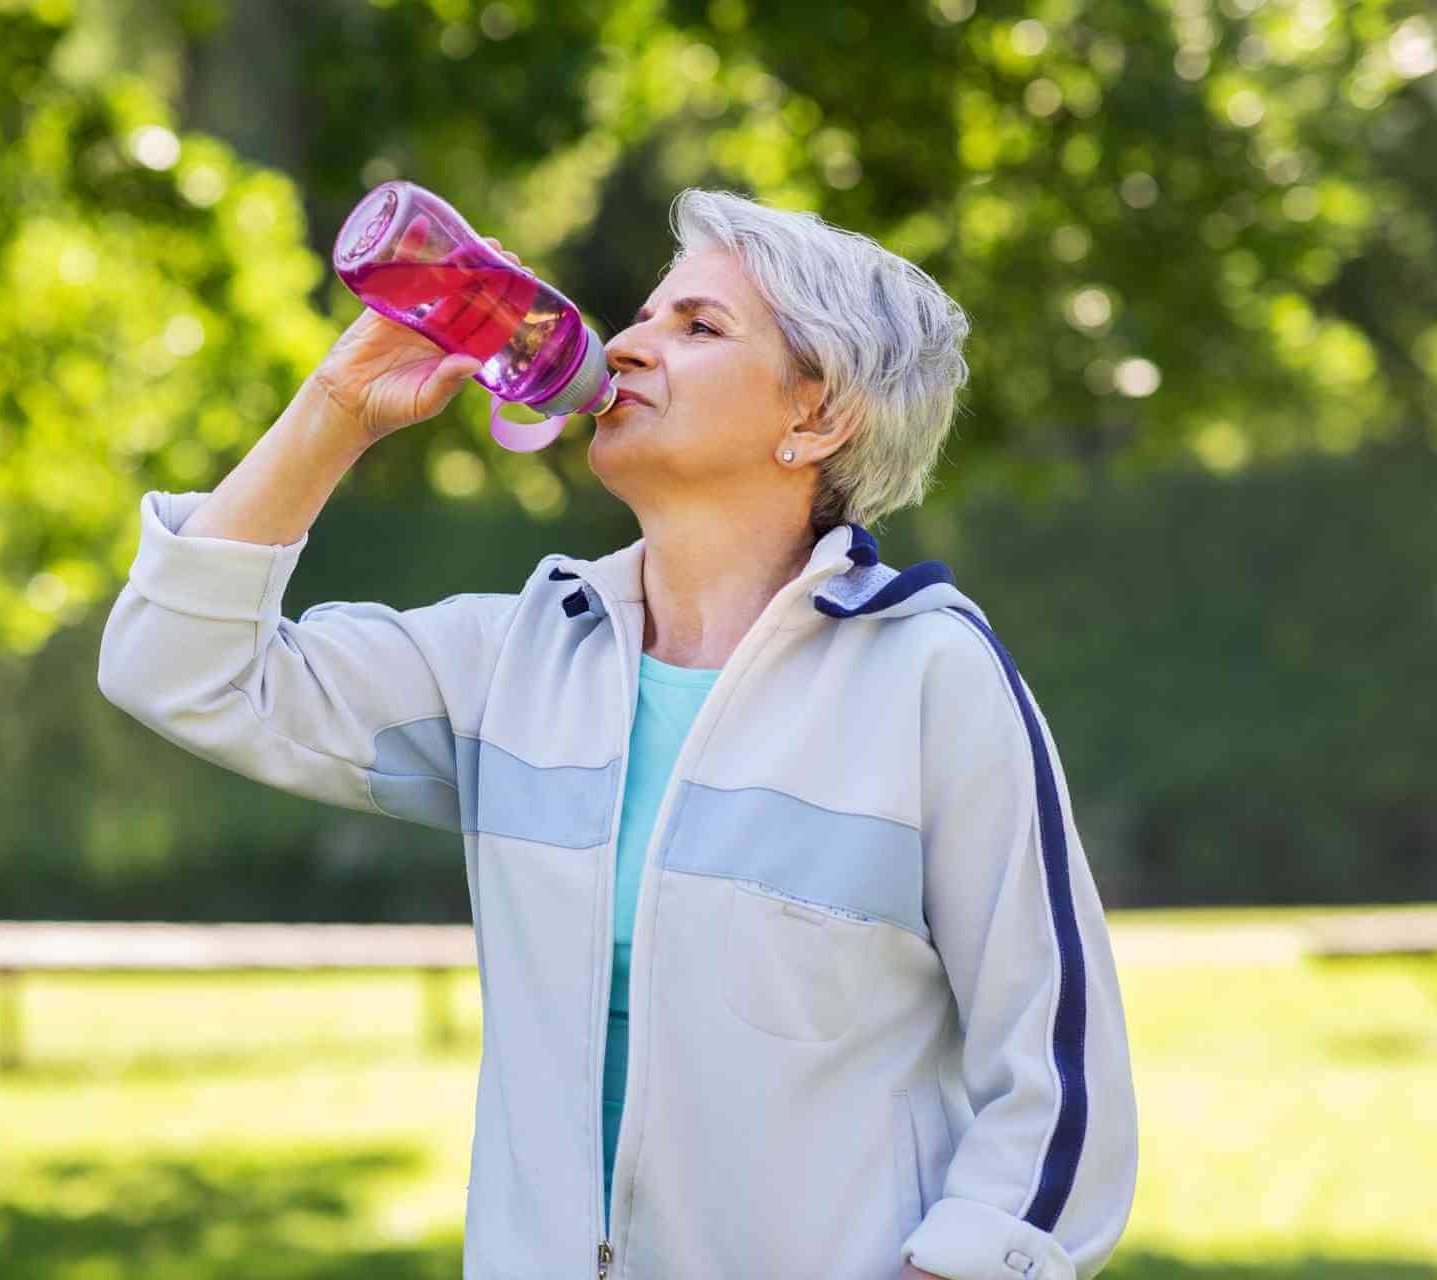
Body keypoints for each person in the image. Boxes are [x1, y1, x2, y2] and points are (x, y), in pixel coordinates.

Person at [98, 189, 1139, 1279]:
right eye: (643, 317)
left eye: (698, 326)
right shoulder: (514, 664)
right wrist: (335, 409)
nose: (632, 345)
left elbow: (1058, 1073)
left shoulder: (930, 674)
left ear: (819, 416)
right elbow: (176, 666)